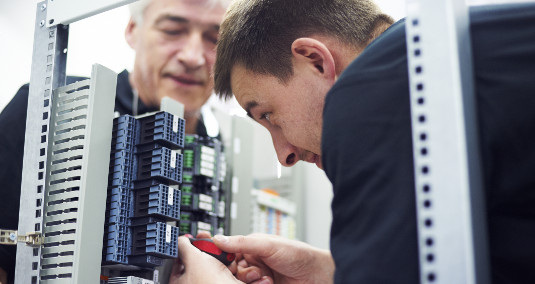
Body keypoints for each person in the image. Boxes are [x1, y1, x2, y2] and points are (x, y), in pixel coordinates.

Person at [173, 0, 535, 283]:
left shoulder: (370, 88)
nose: (284, 154)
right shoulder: (432, 57)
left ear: (315, 60)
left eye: (268, 115)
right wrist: (330, 272)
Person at [0, 0, 228, 282]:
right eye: (172, 30)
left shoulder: (222, 158)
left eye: (215, 39)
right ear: (133, 30)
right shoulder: (46, 109)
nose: (192, 57)